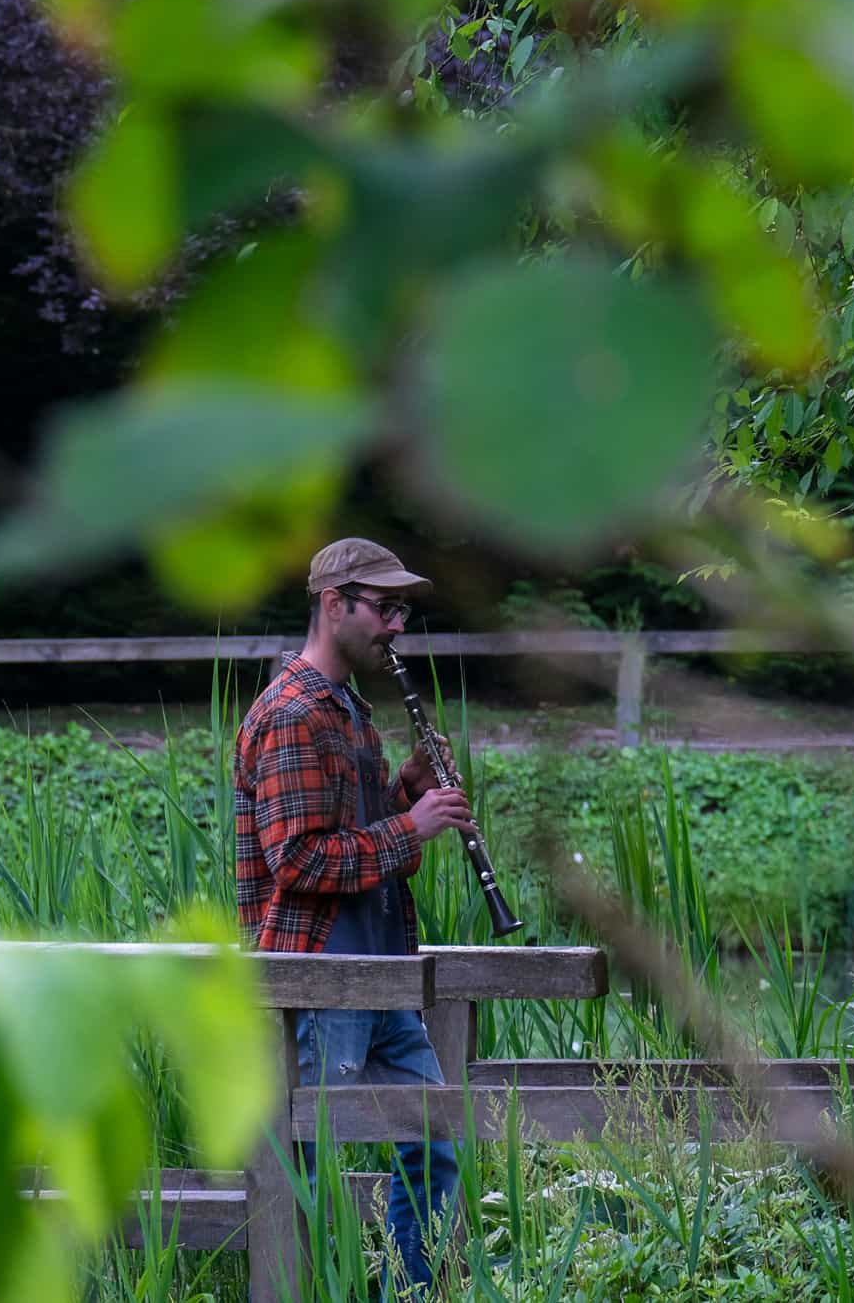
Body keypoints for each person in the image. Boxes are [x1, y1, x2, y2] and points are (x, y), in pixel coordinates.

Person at [234, 537, 477, 1295]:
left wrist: (405, 790)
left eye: (403, 608)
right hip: (320, 981)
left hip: (378, 977)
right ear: (334, 604)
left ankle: (401, 1292)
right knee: (304, 1167)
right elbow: (300, 861)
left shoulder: (347, 709)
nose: (397, 625)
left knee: (436, 1139)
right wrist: (417, 826)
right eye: (385, 607)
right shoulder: (294, 713)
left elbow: (355, 836)